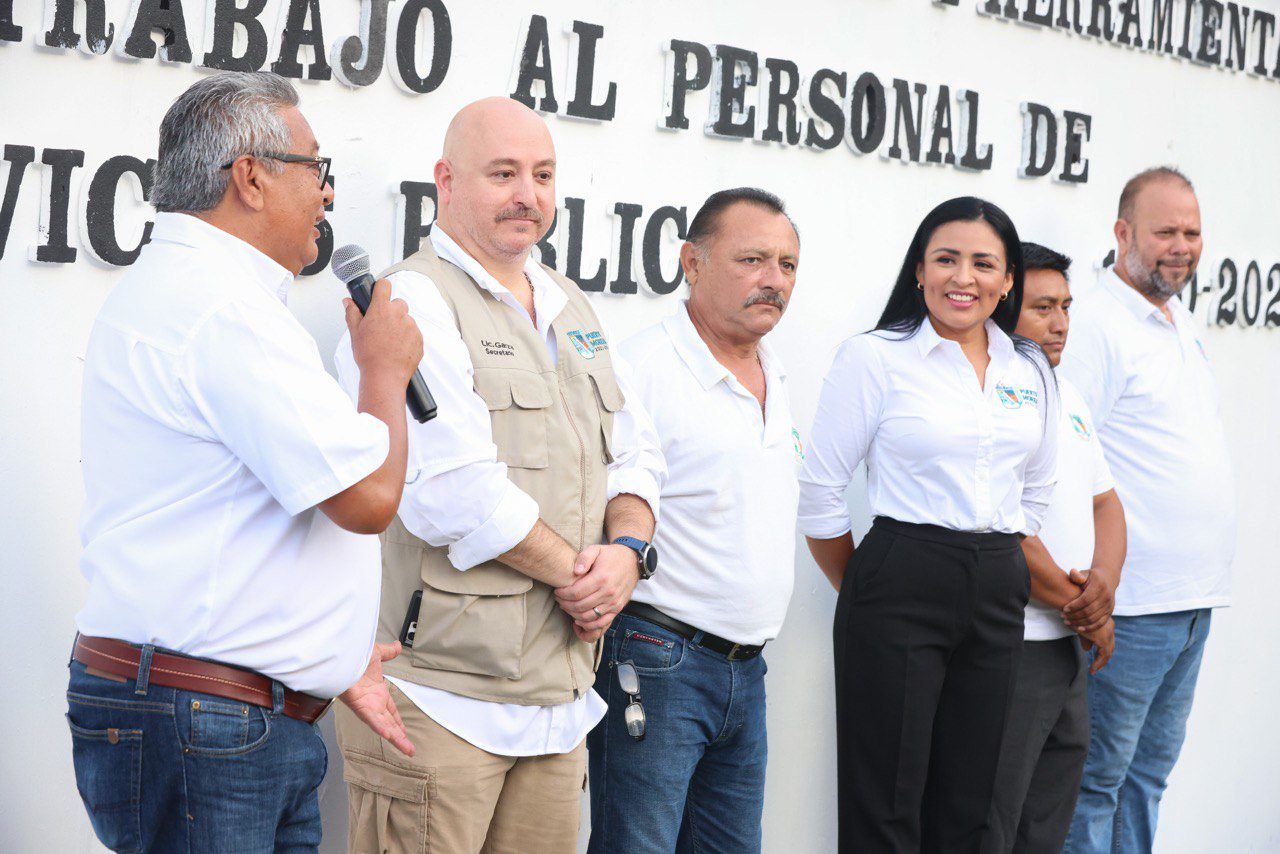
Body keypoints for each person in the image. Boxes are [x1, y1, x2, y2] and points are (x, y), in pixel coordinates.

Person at [68, 72, 421, 853]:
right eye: (315, 169)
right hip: (205, 723)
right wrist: (385, 372)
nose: (327, 196)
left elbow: (234, 518)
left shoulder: (202, 292)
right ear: (251, 177)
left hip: (218, 713)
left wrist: (327, 657)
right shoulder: (221, 308)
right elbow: (366, 498)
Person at [332, 97, 665, 854]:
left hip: (558, 705)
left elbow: (639, 455)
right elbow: (449, 490)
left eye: (543, 175)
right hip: (437, 702)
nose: (529, 195)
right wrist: (583, 580)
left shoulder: (570, 304)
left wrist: (627, 557)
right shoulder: (410, 299)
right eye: (504, 174)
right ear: (445, 181)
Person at [800, 196, 1059, 853]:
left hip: (999, 582)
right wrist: (870, 589)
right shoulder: (875, 358)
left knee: (972, 802)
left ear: (1007, 282)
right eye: (945, 259)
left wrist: (997, 555)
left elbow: (1038, 491)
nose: (962, 278)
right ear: (919, 271)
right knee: (885, 800)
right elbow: (822, 489)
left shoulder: (1028, 369)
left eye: (982, 263)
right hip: (899, 578)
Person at [586, 188, 802, 853]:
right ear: (692, 262)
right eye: (753, 259)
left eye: (788, 265)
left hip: (748, 670)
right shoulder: (643, 368)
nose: (773, 280)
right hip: (659, 660)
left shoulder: (773, 369)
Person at [1062, 168, 1235, 853]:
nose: (1182, 246)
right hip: (1128, 612)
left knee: (1147, 779)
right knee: (1095, 783)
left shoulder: (1175, 319)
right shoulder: (1097, 326)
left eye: (1192, 232)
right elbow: (1068, 464)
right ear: (1122, 233)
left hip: (1190, 605)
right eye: (1166, 231)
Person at [981, 243, 1127, 854]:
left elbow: (1106, 504)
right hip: (1012, 648)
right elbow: (1004, 529)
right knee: (992, 827)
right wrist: (1087, 609)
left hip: (1067, 646)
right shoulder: (989, 393)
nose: (1061, 323)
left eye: (1066, 306)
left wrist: (1105, 587)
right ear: (1003, 308)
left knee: (1046, 827)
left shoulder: (1069, 394)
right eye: (1043, 308)